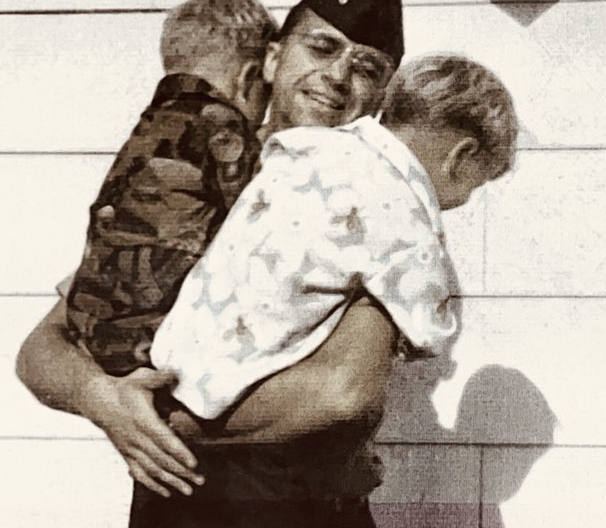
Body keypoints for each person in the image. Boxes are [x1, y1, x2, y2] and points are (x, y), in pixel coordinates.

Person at [16, 0, 409, 528]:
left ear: (380, 99)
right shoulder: (195, 168)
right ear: (271, 60)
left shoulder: (375, 204)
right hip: (175, 503)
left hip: (303, 513)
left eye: (367, 68)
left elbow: (342, 395)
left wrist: (160, 417)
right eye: (322, 48)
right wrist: (101, 398)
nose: (338, 75)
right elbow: (41, 349)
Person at [150, 53, 516, 426]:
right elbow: (428, 330)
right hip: (233, 392)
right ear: (461, 156)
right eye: (475, 184)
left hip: (174, 355)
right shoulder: (407, 218)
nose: (464, 200)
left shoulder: (310, 146)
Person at [63, 0, 275, 380]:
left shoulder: (149, 126)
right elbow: (260, 208)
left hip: (97, 331)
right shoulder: (221, 123)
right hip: (159, 339)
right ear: (248, 78)